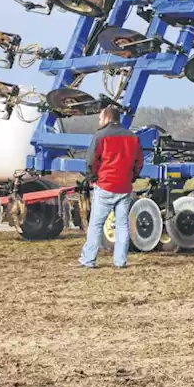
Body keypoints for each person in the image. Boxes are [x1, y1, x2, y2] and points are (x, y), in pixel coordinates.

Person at [80, 105, 143, 269]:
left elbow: (91, 160)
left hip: (105, 185)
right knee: (122, 226)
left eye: (100, 118)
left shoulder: (100, 136)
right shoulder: (132, 137)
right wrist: (132, 177)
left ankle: (88, 260)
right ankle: (120, 261)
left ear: (107, 117)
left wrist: (92, 178)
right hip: (124, 187)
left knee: (96, 225)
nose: (99, 121)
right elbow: (139, 162)